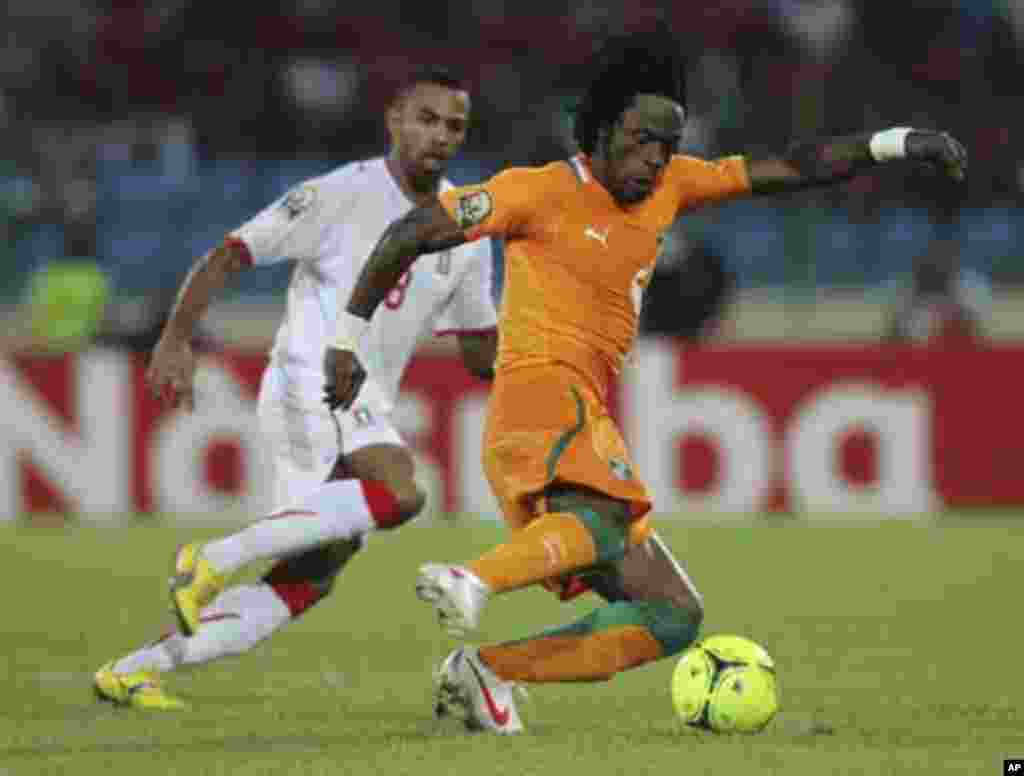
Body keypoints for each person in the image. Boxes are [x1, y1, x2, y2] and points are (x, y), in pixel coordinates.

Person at [325, 27, 967, 734]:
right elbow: (407, 235)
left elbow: (791, 165)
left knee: (671, 613)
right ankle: (472, 580)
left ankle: (488, 671)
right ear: (599, 131)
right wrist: (347, 339)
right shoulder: (533, 192)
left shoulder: (673, 186)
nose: (655, 159)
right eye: (639, 140)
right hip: (539, 390)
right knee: (602, 523)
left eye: (667, 144)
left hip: (583, 406)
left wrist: (895, 142)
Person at [93, 67, 499, 710]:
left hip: (365, 402)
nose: (441, 135)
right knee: (399, 492)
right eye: (426, 118)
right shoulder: (340, 195)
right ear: (394, 119)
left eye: (455, 126)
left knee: (311, 578)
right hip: (310, 381)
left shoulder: (466, 229)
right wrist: (175, 340)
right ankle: (212, 557)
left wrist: (551, 356)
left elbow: (480, 348)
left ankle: (137, 668)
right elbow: (230, 252)